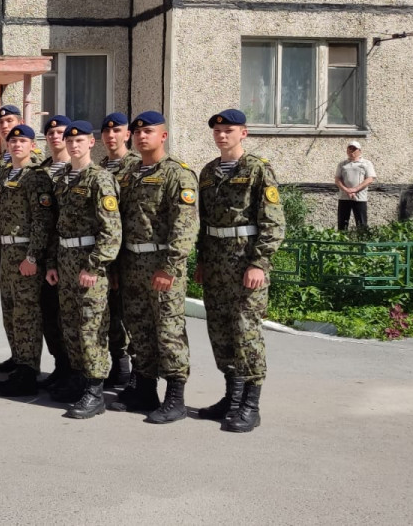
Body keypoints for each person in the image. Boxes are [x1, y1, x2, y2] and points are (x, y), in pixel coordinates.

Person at [195, 108, 285, 433]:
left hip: (246, 264)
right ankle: (232, 398)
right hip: (216, 264)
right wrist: (202, 261)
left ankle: (250, 405)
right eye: (217, 131)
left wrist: (259, 263)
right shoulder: (208, 172)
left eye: (228, 131)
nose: (222, 135)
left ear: (243, 133)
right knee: (220, 332)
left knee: (246, 332)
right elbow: (205, 222)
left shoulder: (258, 169)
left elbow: (273, 223)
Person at [112, 112, 199, 424]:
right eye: (137, 132)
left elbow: (185, 226)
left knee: (168, 330)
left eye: (148, 131)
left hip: (161, 264)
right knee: (139, 328)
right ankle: (145, 390)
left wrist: (170, 267)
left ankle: (175, 397)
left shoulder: (178, 174)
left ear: (163, 136)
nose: (141, 136)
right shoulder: (130, 173)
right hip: (131, 263)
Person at [45, 121, 121, 419]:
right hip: (65, 262)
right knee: (70, 325)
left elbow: (111, 231)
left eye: (80, 140)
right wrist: (52, 263)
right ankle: (78, 379)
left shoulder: (100, 178)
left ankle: (95, 390)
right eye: (70, 141)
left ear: (91, 143)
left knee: (91, 327)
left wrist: (95, 266)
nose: (74, 145)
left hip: (89, 264)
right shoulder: (63, 179)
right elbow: (56, 226)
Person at [0, 125, 57, 397]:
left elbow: (43, 220)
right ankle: (19, 363)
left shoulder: (36, 176)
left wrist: (33, 257)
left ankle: (29, 372)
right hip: (6, 253)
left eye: (23, 141)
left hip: (25, 254)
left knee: (27, 314)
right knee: (10, 311)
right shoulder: (6, 173)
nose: (17, 145)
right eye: (13, 141)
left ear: (32, 145)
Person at [35, 114, 72, 391]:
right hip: (45, 252)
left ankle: (76, 372)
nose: (55, 136)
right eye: (50, 133)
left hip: (71, 254)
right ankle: (60, 366)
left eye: (60, 132)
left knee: (70, 317)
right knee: (48, 314)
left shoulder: (77, 169)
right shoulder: (42, 171)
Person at [99, 112, 136, 387]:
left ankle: (138, 375)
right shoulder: (100, 167)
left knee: (131, 314)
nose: (111, 136)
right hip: (106, 251)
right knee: (110, 313)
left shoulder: (137, 167)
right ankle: (119, 367)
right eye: (107, 132)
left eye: (117, 131)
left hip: (130, 254)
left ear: (127, 134)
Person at [335, 141, 375, 230]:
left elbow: (370, 179)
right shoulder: (342, 164)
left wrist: (355, 189)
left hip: (359, 197)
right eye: (349, 149)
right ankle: (342, 238)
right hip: (344, 197)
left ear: (359, 151)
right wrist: (346, 190)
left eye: (354, 149)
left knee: (361, 223)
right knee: (342, 223)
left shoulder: (366, 163)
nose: (351, 151)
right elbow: (337, 179)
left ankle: (362, 238)